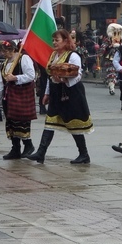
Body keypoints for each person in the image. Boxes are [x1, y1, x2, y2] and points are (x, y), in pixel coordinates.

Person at [28, 30, 93, 165]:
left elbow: (78, 74)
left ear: (65, 41)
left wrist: (65, 81)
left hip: (71, 93)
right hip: (56, 92)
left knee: (74, 123)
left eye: (57, 40)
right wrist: (47, 93)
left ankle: (84, 154)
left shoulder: (73, 56)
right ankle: (41, 152)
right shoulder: (53, 56)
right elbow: (51, 76)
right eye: (53, 40)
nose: (54, 43)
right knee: (50, 122)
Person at [0, 41, 37, 159]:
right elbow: (0, 81)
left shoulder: (24, 58)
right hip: (9, 96)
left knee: (21, 121)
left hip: (22, 95)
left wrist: (16, 78)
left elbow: (31, 75)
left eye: (5, 51)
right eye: (2, 51)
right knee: (11, 122)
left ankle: (28, 145)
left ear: (13, 49)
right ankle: (15, 148)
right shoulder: (6, 63)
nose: (3, 54)